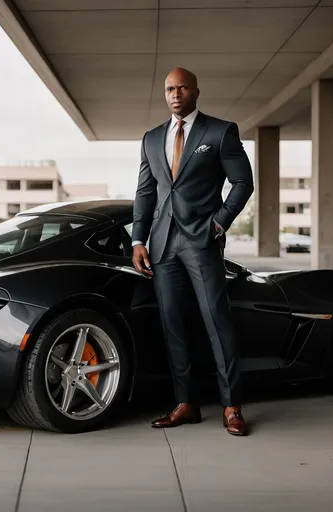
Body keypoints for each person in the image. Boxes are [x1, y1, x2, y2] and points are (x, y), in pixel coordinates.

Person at [131, 67, 254, 436]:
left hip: (202, 239)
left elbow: (243, 182)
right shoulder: (152, 138)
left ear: (196, 91)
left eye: (182, 87)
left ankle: (232, 406)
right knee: (173, 325)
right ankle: (186, 403)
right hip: (162, 244)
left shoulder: (220, 131)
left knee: (217, 320)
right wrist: (138, 239)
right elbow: (145, 192)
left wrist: (218, 224)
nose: (176, 93)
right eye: (170, 88)